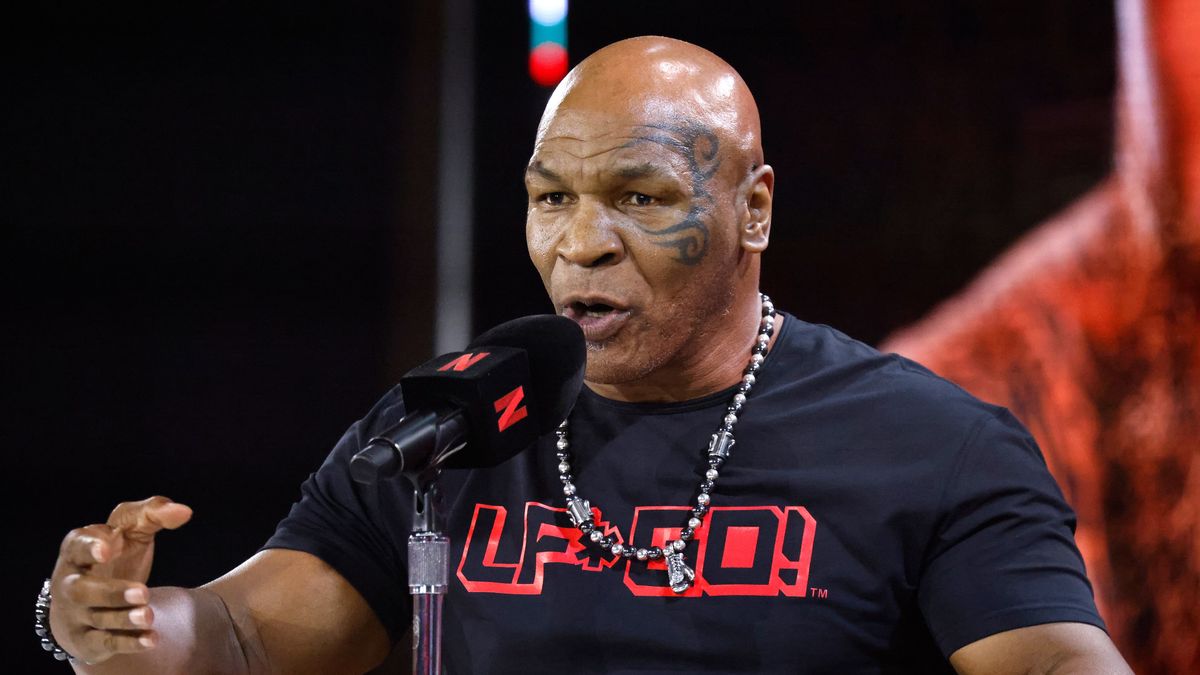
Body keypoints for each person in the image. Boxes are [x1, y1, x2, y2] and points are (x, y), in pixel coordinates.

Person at [44, 37, 1132, 673]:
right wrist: (123, 624)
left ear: (752, 211)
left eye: (639, 197)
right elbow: (240, 631)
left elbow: (1048, 657)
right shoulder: (453, 423)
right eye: (551, 198)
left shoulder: (930, 443)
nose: (580, 241)